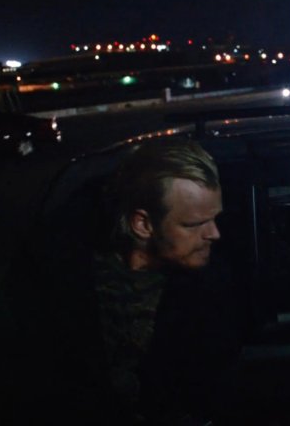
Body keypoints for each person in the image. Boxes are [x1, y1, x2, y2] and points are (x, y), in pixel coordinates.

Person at [90, 137, 248, 425]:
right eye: (193, 224)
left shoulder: (210, 292)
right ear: (144, 224)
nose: (214, 233)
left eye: (214, 219)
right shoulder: (74, 291)